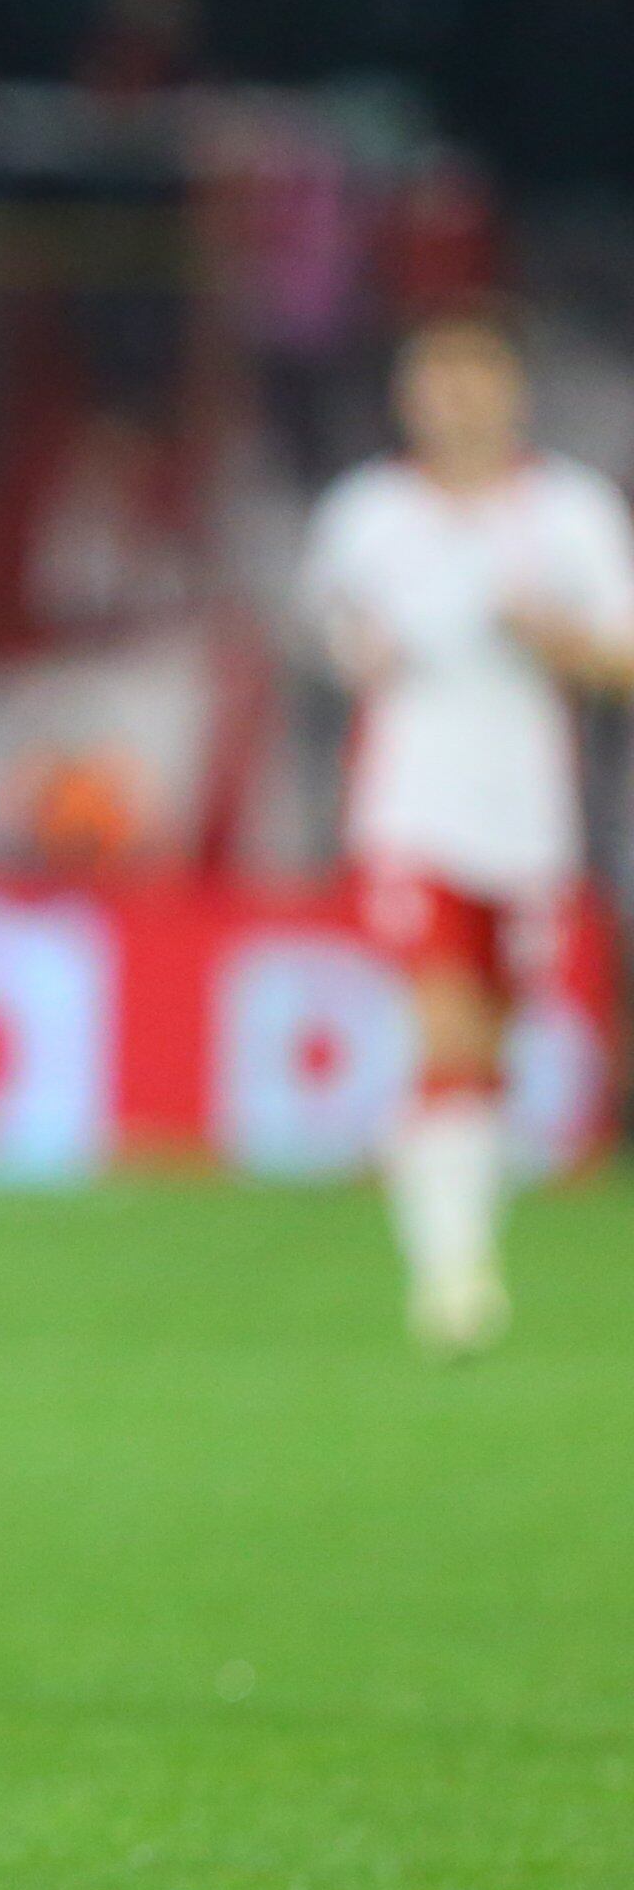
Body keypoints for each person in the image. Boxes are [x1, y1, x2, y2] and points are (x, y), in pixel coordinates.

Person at [298, 312, 634, 1357]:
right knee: (440, 1023)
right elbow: (328, 638)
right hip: (409, 807)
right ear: (408, 396)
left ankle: (461, 1240)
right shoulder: (368, 514)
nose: (453, 400)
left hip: (529, 816)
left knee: (490, 1042)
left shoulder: (568, 511)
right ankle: (448, 1282)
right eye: (433, 379)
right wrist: (361, 651)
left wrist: (557, 639)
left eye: (472, 378)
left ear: (510, 391)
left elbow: (622, 657)